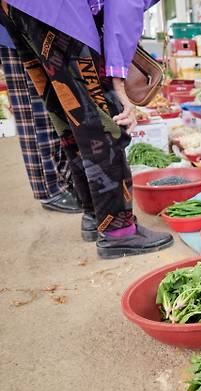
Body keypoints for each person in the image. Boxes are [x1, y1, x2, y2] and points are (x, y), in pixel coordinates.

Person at [0, 0, 174, 258]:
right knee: (104, 122)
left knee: (71, 117)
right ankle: (118, 231)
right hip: (57, 9)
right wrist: (117, 81)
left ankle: (95, 215)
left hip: (19, 9)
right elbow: (125, 5)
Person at [0, 25, 83, 214]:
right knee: (35, 111)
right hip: (13, 27)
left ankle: (63, 177)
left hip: (38, 25)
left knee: (52, 109)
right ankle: (49, 188)